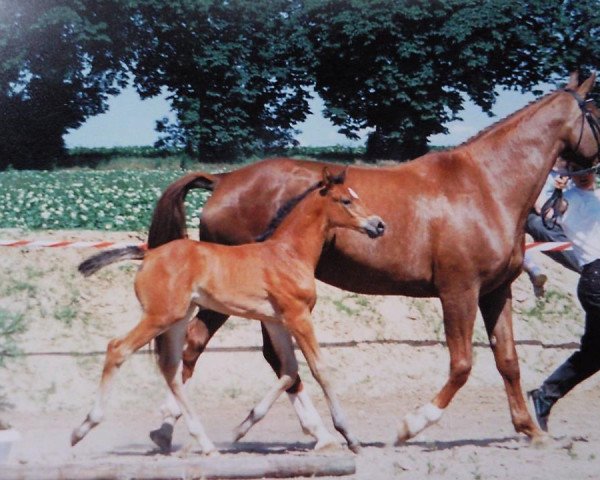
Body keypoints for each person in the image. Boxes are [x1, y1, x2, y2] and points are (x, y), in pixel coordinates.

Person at [528, 161, 600, 431]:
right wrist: (558, 192)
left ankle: (545, 395)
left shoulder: (598, 197)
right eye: (577, 172)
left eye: (587, 171)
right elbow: (551, 211)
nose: (584, 176)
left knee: (594, 355)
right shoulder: (567, 199)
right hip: (595, 276)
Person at [523, 157, 581, 297]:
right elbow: (540, 206)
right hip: (538, 215)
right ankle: (583, 266)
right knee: (543, 227)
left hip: (562, 215)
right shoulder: (542, 171)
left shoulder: (570, 174)